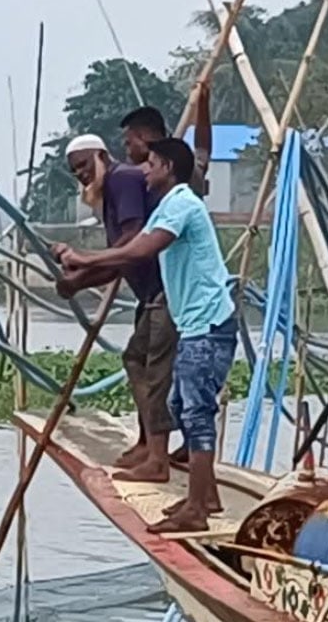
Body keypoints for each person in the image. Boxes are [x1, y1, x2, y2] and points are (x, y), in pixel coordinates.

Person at [60, 136, 237, 533]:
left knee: (195, 412)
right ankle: (206, 497)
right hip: (195, 324)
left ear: (168, 168)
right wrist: (82, 270)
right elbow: (133, 248)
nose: (144, 170)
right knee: (182, 405)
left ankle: (196, 509)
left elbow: (139, 252)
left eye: (151, 164)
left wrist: (83, 259)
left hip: (207, 324)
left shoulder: (181, 204)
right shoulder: (168, 206)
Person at [53, 133, 176, 483]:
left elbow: (132, 244)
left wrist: (80, 264)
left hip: (164, 295)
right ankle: (147, 444)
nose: (81, 174)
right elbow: (119, 262)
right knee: (137, 361)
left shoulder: (122, 179)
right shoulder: (109, 196)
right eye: (74, 170)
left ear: (102, 157)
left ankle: (156, 457)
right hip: (149, 296)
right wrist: (79, 278)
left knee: (152, 371)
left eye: (84, 165)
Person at [118, 87, 214, 465]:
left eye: (130, 143)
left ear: (145, 140)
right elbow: (203, 148)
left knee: (162, 370)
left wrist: (94, 261)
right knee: (146, 362)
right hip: (158, 292)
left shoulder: (176, 183)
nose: (128, 152)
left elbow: (202, 151)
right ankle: (161, 442)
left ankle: (156, 448)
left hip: (172, 295)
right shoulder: (152, 179)